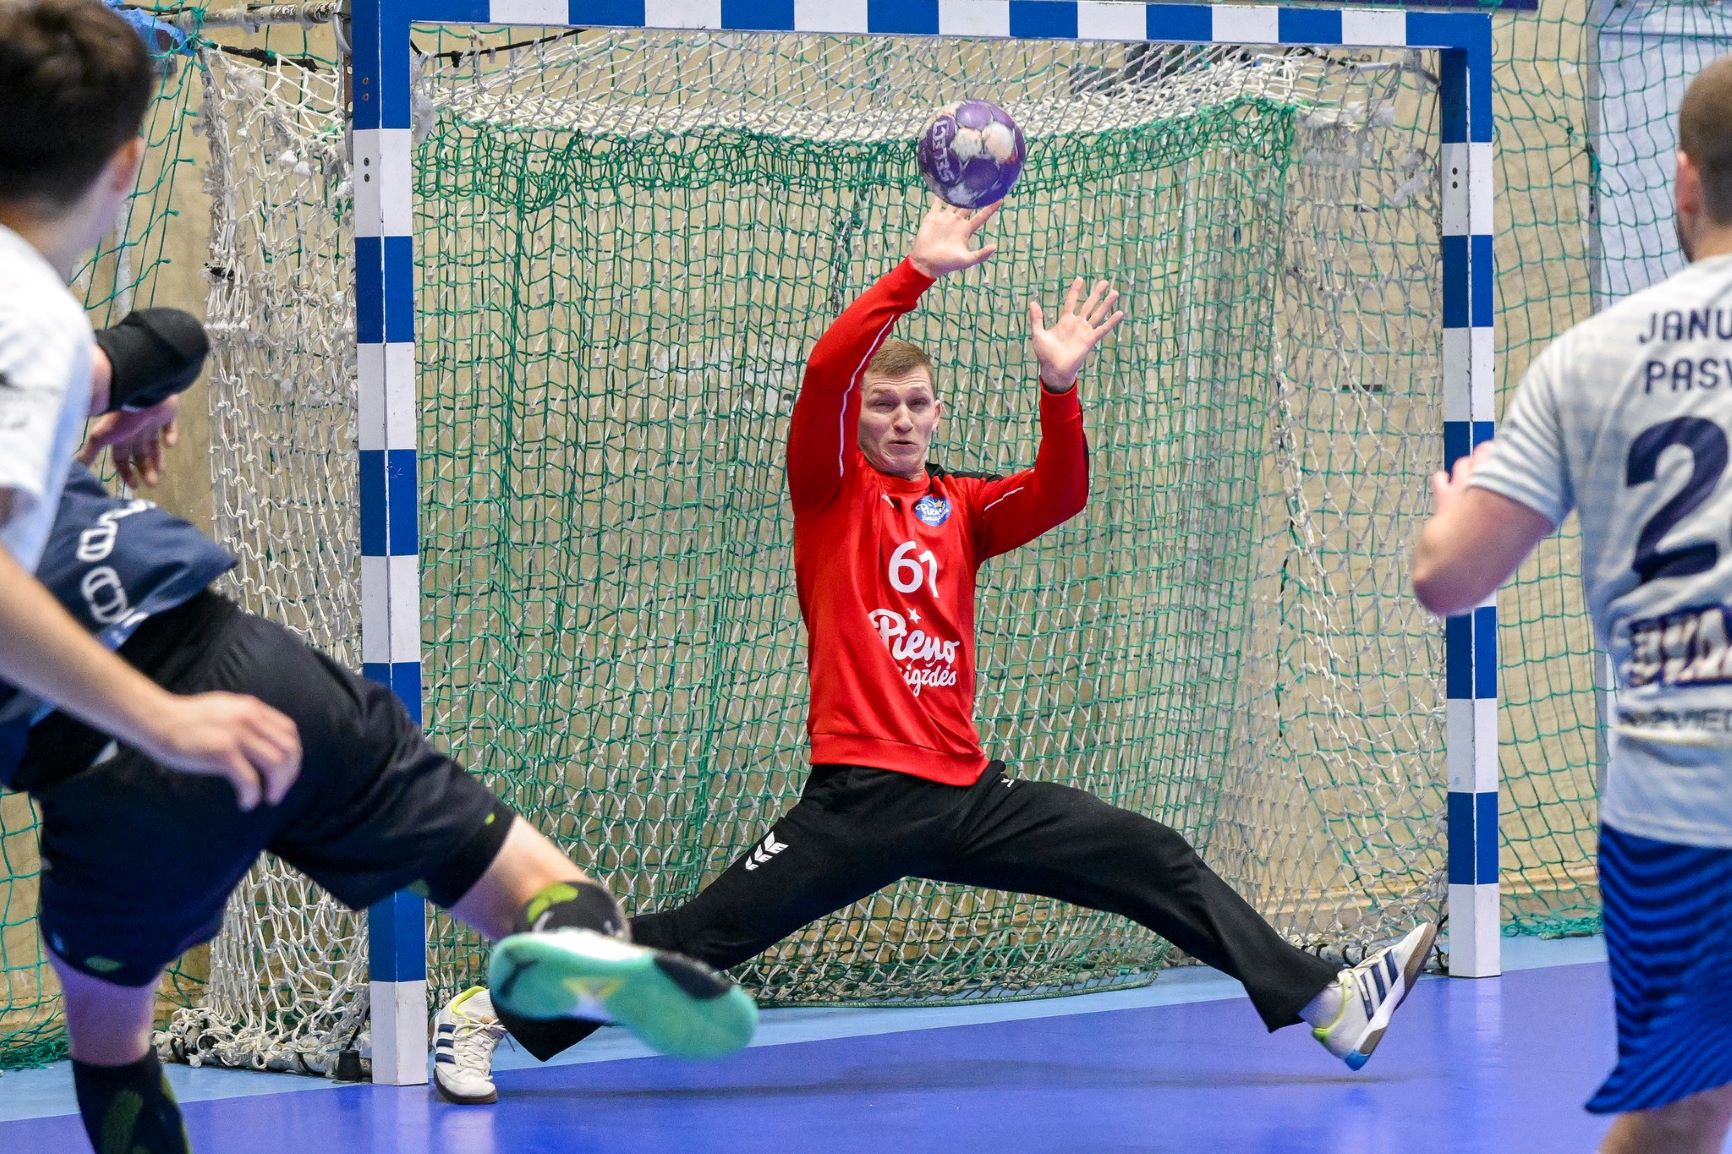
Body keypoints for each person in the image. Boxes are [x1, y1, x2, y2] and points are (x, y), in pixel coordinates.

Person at [431, 198, 1436, 1104]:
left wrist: (1058, 387)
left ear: (939, 411)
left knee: (1150, 856)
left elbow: (1061, 492)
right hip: (860, 801)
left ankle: (1330, 1005)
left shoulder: (962, 506)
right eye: (885, 405)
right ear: (858, 420)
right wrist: (915, 272)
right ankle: (485, 1013)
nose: (903, 418)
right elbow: (827, 370)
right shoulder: (829, 491)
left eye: (917, 404)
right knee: (698, 943)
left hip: (969, 797)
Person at [0, 6, 754, 1152]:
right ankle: (567, 942)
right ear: (127, 166)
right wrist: (164, 709)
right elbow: (158, 339)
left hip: (107, 767)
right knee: (510, 871)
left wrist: (127, 397)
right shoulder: (35, 325)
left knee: (110, 1038)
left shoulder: (37, 339)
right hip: (240, 675)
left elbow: (160, 341)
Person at [1413, 53, 1732, 1154]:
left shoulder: (1590, 356)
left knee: (1679, 1111)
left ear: (1683, 179)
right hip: (1676, 810)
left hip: (1675, 811)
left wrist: (1456, 502)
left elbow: (1446, 578)